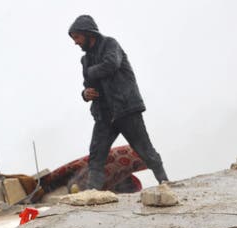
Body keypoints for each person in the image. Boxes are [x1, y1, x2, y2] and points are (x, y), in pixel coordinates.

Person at [68, 14, 169, 190]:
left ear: (88, 33)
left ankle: (165, 182)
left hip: (125, 108)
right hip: (104, 114)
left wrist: (90, 72)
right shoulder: (85, 60)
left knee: (144, 149)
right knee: (96, 155)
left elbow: (111, 64)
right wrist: (85, 94)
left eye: (77, 37)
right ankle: (93, 193)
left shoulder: (110, 44)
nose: (75, 42)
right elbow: (87, 85)